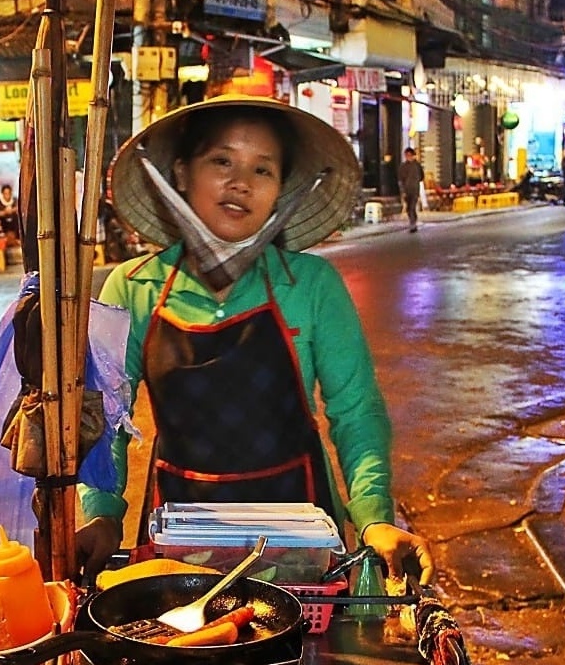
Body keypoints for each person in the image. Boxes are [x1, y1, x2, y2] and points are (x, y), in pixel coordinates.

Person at [75, 96, 435, 587]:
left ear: (280, 190)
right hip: (181, 535)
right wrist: (102, 512)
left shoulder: (310, 285)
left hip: (303, 535)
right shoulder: (132, 288)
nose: (240, 183)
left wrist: (373, 516)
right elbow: (106, 419)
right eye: (221, 161)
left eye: (262, 170)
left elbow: (356, 411)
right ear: (181, 173)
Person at [398, 147, 424, 233]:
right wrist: (402, 190)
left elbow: (421, 176)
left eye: (410, 155)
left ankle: (413, 223)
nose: (408, 157)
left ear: (413, 156)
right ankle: (412, 221)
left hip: (415, 189)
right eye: (407, 155)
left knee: (412, 206)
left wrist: (415, 182)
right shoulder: (403, 166)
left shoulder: (417, 165)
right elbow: (400, 179)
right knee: (409, 208)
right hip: (406, 190)